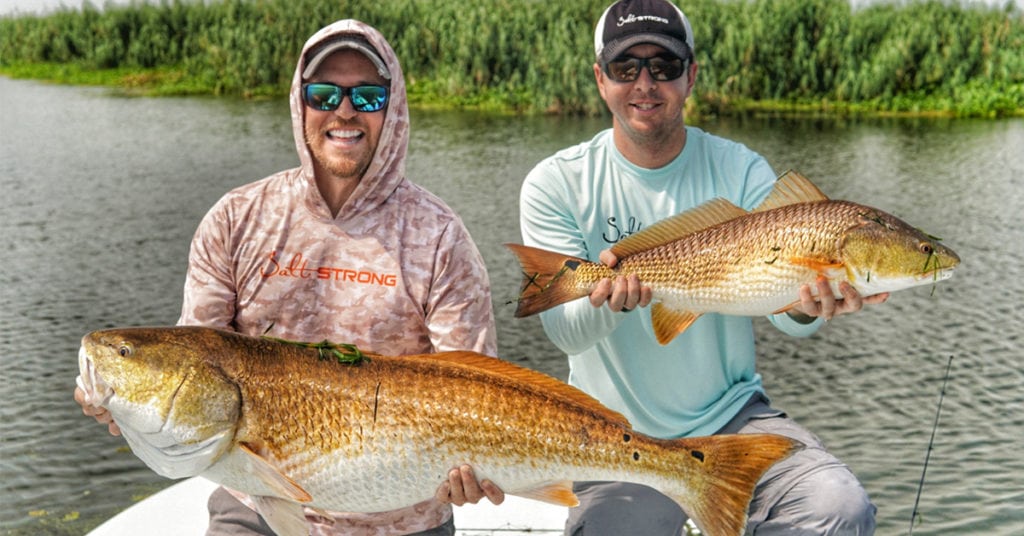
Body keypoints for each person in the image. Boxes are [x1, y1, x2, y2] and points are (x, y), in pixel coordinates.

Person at [75, 19, 504, 536]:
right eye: (324, 93)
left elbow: (479, 387)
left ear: (393, 109)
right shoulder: (235, 219)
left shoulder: (440, 236)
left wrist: (475, 468)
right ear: (300, 102)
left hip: (405, 517)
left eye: (367, 96)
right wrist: (128, 406)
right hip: (254, 509)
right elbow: (192, 364)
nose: (344, 111)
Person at [518, 1, 887, 534]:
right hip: (610, 434)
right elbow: (567, 335)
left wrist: (811, 307)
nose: (646, 83)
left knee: (839, 507)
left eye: (664, 66)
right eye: (627, 68)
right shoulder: (555, 183)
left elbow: (785, 316)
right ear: (601, 79)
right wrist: (613, 303)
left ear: (691, 77)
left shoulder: (740, 169)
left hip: (734, 419)